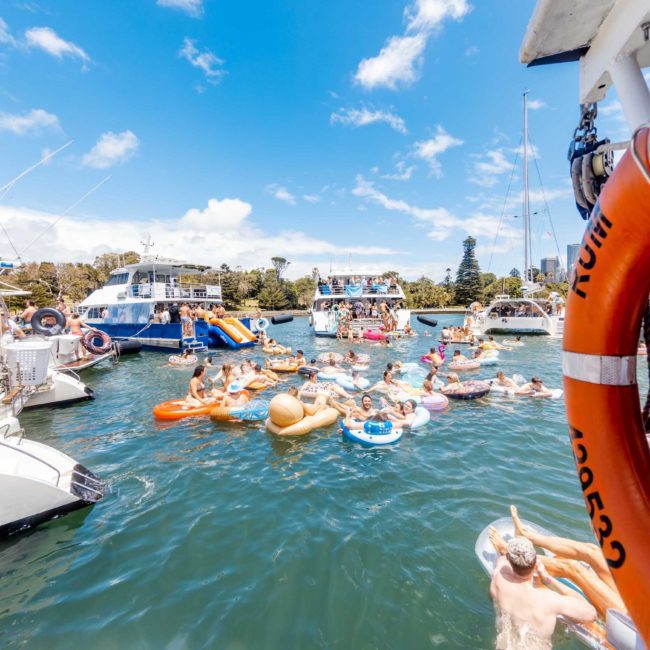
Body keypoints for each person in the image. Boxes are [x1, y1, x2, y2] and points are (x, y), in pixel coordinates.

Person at [488, 528, 596, 650]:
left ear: (508, 558)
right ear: (536, 563)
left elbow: (502, 561)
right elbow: (591, 614)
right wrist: (548, 579)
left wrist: (504, 550)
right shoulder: (548, 600)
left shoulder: (499, 580)